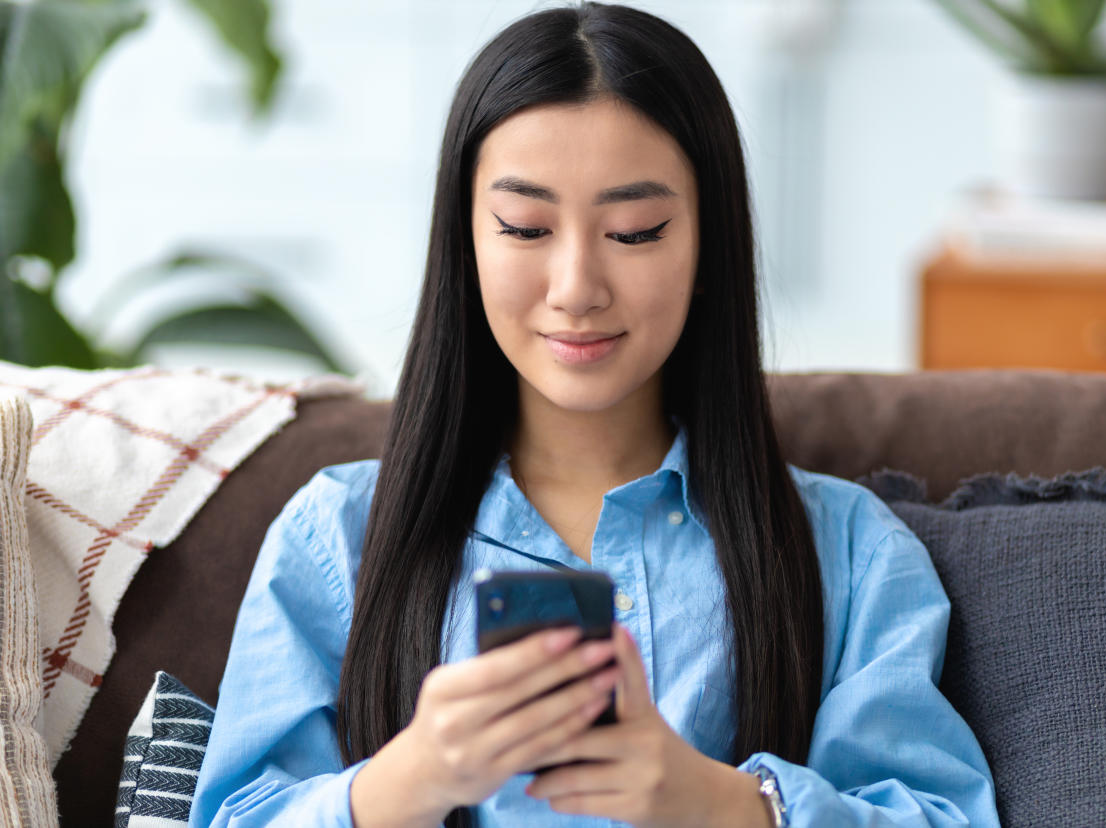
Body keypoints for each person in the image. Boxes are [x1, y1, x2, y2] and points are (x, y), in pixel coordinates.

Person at [189, 4, 1000, 826]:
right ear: (464, 246)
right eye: (524, 226)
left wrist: (720, 805)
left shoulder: (850, 553)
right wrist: (411, 779)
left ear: (708, 246)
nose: (576, 286)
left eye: (635, 231)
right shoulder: (338, 539)